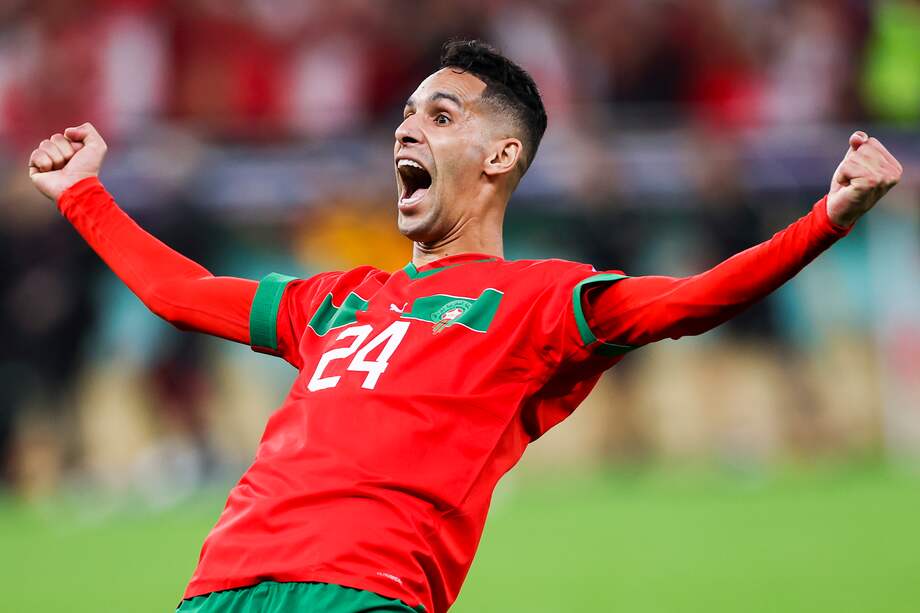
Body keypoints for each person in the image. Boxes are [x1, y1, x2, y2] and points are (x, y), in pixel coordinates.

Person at [27, 40, 901, 613]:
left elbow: (692, 300)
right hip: (218, 589)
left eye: (441, 116)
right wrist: (84, 196)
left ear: (501, 156)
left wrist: (827, 216)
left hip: (365, 592)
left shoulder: (540, 301)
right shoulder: (335, 299)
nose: (408, 126)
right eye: (407, 114)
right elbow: (183, 291)